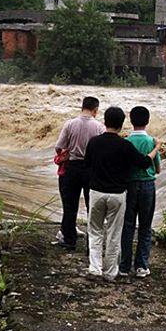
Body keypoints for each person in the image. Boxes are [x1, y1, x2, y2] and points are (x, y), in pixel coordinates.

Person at [84, 107, 160, 280]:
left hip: (96, 192)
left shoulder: (94, 142)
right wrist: (156, 148)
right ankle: (110, 272)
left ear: (104, 122)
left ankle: (95, 268)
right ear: (121, 124)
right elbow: (143, 162)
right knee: (113, 233)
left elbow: (87, 164)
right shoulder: (124, 145)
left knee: (95, 231)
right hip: (118, 195)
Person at [54, 96, 105, 250]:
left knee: (70, 206)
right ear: (95, 110)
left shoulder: (70, 124)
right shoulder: (99, 127)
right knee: (93, 207)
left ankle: (69, 240)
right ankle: (92, 243)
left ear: (82, 107)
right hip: (91, 169)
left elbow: (59, 146)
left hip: (72, 167)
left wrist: (66, 153)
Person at [119, 106, 161, 278]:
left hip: (129, 186)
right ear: (148, 121)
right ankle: (142, 266)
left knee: (128, 225)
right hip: (147, 186)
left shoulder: (127, 141)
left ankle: (124, 266)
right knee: (145, 226)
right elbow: (157, 169)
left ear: (131, 120)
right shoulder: (151, 142)